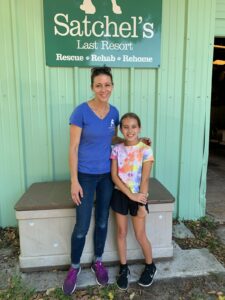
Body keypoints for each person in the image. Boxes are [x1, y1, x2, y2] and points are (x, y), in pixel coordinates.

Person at [62, 66, 120, 295]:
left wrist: (131, 140)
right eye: (99, 85)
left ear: (112, 86)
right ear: (92, 87)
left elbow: (111, 137)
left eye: (107, 85)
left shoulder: (114, 112)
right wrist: (74, 181)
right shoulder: (80, 112)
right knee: (82, 226)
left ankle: (98, 261)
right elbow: (73, 147)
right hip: (85, 176)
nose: (103, 89)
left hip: (106, 176)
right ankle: (74, 267)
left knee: (103, 221)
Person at [110, 112, 157, 291]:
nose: (130, 130)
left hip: (139, 196)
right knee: (121, 232)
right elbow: (114, 176)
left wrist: (141, 203)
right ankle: (123, 269)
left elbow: (144, 180)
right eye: (126, 127)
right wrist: (130, 195)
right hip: (121, 194)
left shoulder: (145, 149)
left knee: (140, 234)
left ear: (139, 128)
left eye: (133, 127)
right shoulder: (116, 149)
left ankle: (150, 265)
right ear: (121, 129)